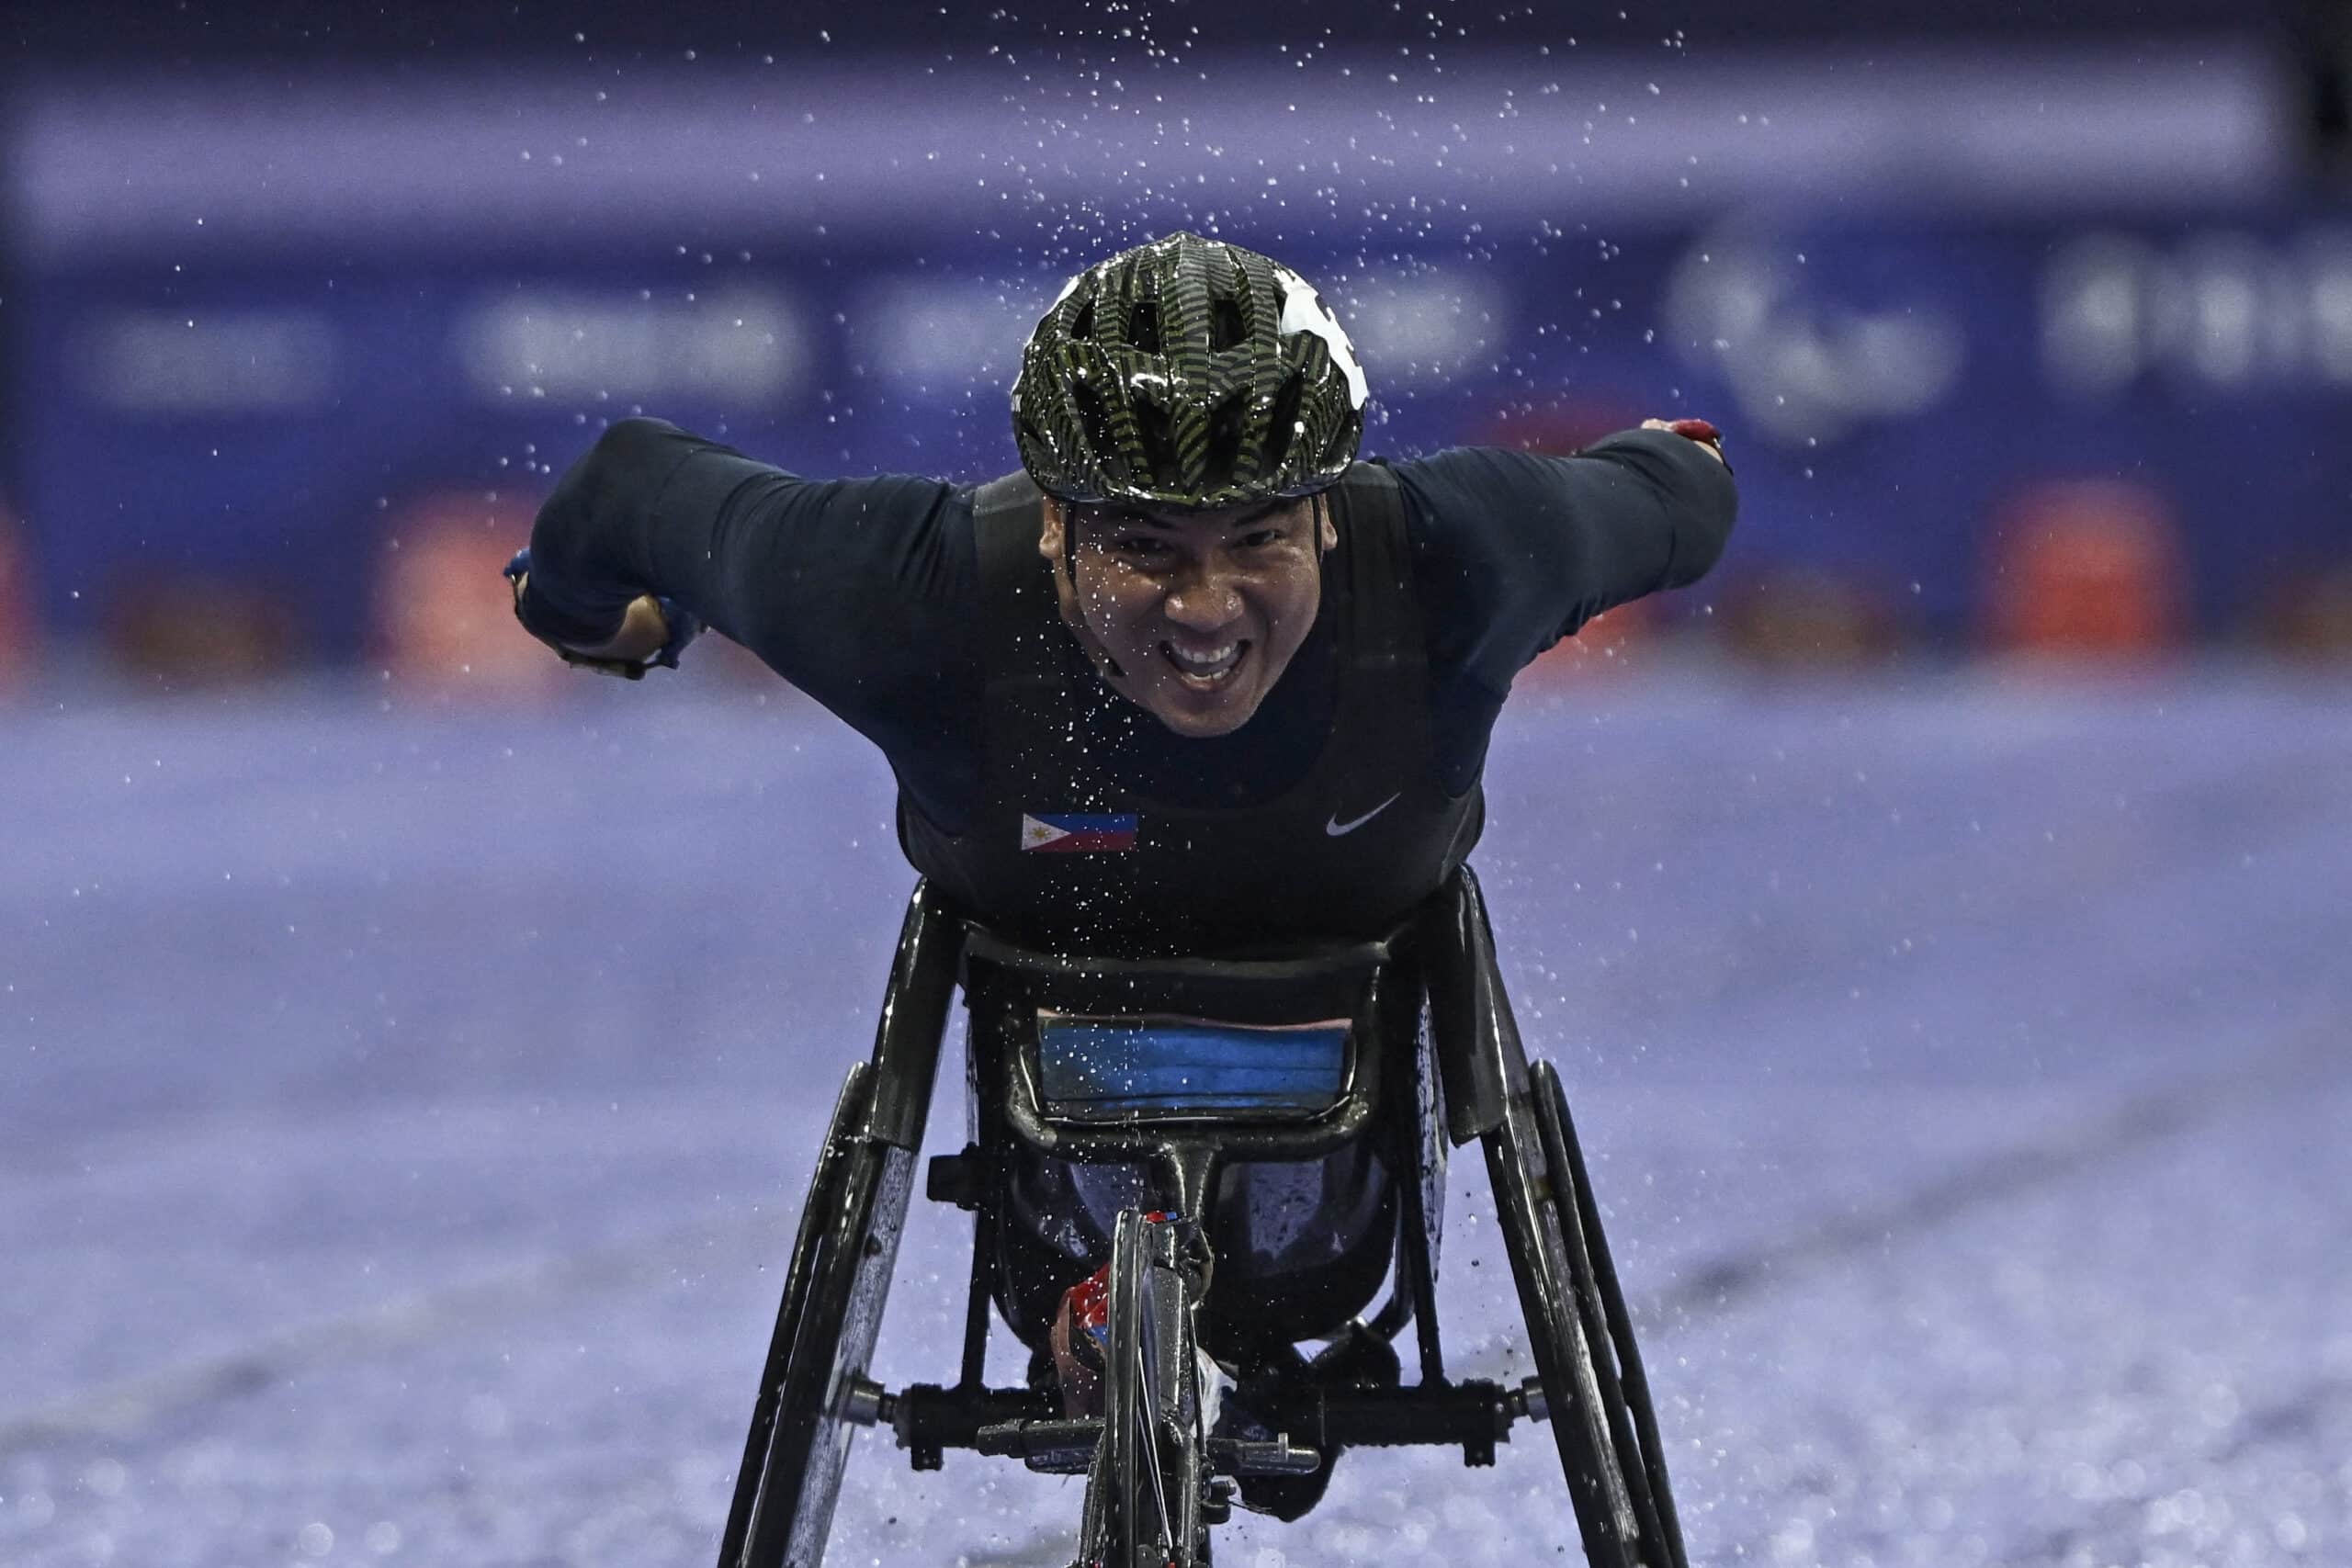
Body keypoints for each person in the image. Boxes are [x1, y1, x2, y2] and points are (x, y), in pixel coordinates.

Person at [505, 231, 1735, 1499]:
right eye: (1147, 550)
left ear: (1327, 512)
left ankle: (1147, 1333)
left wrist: (591, 613)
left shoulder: (1456, 554)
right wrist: (611, 614)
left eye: (1257, 541)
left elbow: (1674, 496)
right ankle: (1095, 1318)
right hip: (1054, 1118)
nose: (1206, 612)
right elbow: (631, 485)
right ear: (1054, 526)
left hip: (1344, 1161)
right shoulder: (913, 592)